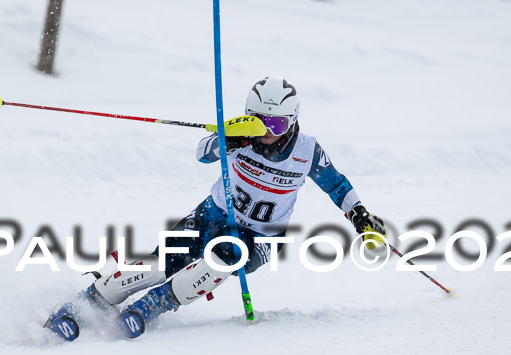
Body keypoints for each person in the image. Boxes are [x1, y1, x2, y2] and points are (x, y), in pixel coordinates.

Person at [44, 76, 386, 341]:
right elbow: (203, 152)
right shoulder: (242, 134)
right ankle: (82, 305)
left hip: (261, 237)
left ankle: (150, 307)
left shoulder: (307, 151)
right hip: (212, 213)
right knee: (161, 261)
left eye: (277, 125)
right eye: (260, 122)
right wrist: (228, 140)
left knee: (225, 255)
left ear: (293, 121)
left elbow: (337, 184)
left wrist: (359, 215)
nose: (267, 133)